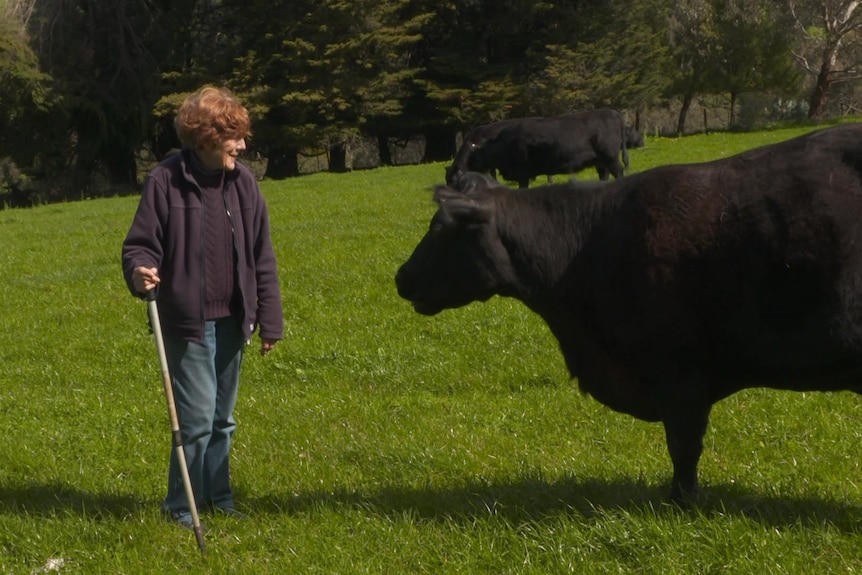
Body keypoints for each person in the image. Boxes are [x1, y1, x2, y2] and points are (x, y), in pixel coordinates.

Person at [122, 86, 284, 529]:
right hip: (187, 322)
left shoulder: (244, 183)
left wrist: (269, 320)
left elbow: (261, 255)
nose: (243, 145)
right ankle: (181, 508)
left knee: (222, 419)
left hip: (234, 319)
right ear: (207, 136)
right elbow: (139, 247)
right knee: (194, 421)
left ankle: (219, 497)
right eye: (234, 137)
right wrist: (140, 273)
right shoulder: (166, 180)